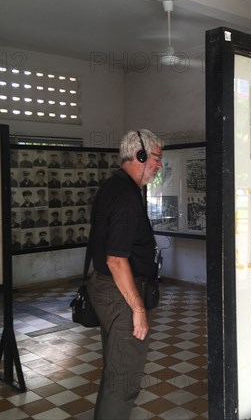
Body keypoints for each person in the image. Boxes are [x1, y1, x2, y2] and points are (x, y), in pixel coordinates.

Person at [87, 129, 163, 419]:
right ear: (139, 154)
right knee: (124, 382)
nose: (159, 165)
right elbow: (117, 259)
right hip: (121, 295)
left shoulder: (114, 187)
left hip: (109, 289)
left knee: (115, 371)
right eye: (156, 158)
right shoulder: (127, 197)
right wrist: (138, 308)